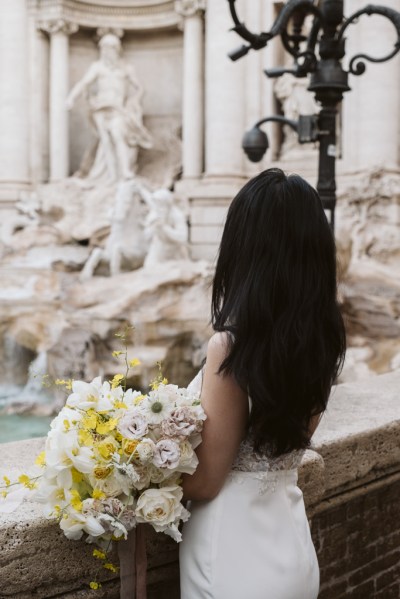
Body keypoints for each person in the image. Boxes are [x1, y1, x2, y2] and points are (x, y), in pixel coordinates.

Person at [180, 168, 346, 599]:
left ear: (245, 248)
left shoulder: (232, 347)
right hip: (290, 544)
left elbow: (205, 481)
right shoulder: (322, 340)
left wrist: (131, 470)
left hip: (230, 553)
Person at [66, 34, 152, 183]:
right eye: (103, 48)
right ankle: (112, 176)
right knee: (105, 143)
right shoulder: (97, 67)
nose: (105, 52)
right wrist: (71, 98)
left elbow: (140, 88)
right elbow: (83, 83)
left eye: (109, 48)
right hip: (101, 108)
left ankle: (125, 171)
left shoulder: (126, 68)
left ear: (116, 49)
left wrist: (134, 102)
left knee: (118, 135)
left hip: (117, 108)